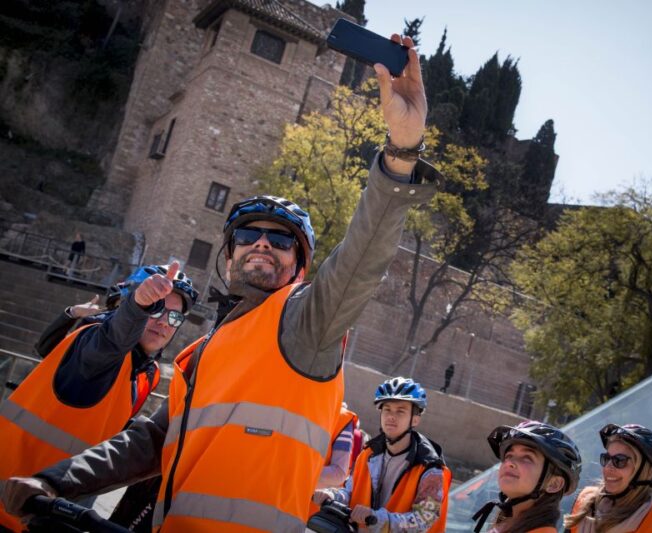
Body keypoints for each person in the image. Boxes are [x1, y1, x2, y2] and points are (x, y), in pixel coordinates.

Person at [1, 31, 440, 533]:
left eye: (282, 241)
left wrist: (402, 152)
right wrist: (56, 481)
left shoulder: (304, 322)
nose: (263, 244)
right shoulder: (202, 354)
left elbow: (362, 258)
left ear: (300, 267)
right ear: (228, 254)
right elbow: (149, 441)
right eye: (249, 234)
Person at [0, 262, 197, 532]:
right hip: (12, 506)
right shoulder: (97, 343)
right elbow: (114, 339)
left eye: (175, 317)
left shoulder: (145, 372)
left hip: (50, 511)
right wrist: (138, 306)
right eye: (156, 307)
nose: (164, 321)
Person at [313, 377, 451, 532]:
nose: (391, 416)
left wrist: (378, 518)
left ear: (415, 420)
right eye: (387, 409)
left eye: (400, 411)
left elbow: (422, 521)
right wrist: (331, 495)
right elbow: (350, 491)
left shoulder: (430, 469)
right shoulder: (368, 454)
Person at [471, 420, 582, 533]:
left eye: (527, 458)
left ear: (554, 484)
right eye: (509, 455)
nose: (509, 462)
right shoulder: (507, 525)